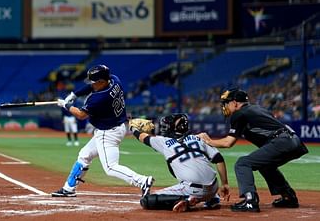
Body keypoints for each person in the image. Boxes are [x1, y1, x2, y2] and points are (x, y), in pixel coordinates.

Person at [198, 88, 309, 212]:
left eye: (226, 103)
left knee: (243, 163)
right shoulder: (257, 109)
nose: (225, 106)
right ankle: (288, 197)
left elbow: (228, 143)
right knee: (265, 165)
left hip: (282, 141)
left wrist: (208, 141)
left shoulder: (239, 114)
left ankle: (250, 200)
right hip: (294, 141)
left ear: (234, 103)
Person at [51, 64, 153, 197]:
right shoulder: (115, 80)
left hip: (108, 132)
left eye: (94, 82)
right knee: (84, 155)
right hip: (116, 126)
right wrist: (74, 94)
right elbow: (91, 86)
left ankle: (142, 181)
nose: (91, 85)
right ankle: (69, 188)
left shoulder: (99, 98)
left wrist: (66, 105)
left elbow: (81, 115)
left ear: (102, 81)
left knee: (110, 167)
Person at [131, 113, 230, 212]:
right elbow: (219, 159)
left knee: (147, 200)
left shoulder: (164, 142)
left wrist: (133, 128)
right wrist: (224, 184)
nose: (165, 128)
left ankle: (188, 199)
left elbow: (143, 138)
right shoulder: (200, 138)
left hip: (192, 189)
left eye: (167, 126)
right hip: (213, 187)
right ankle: (213, 198)